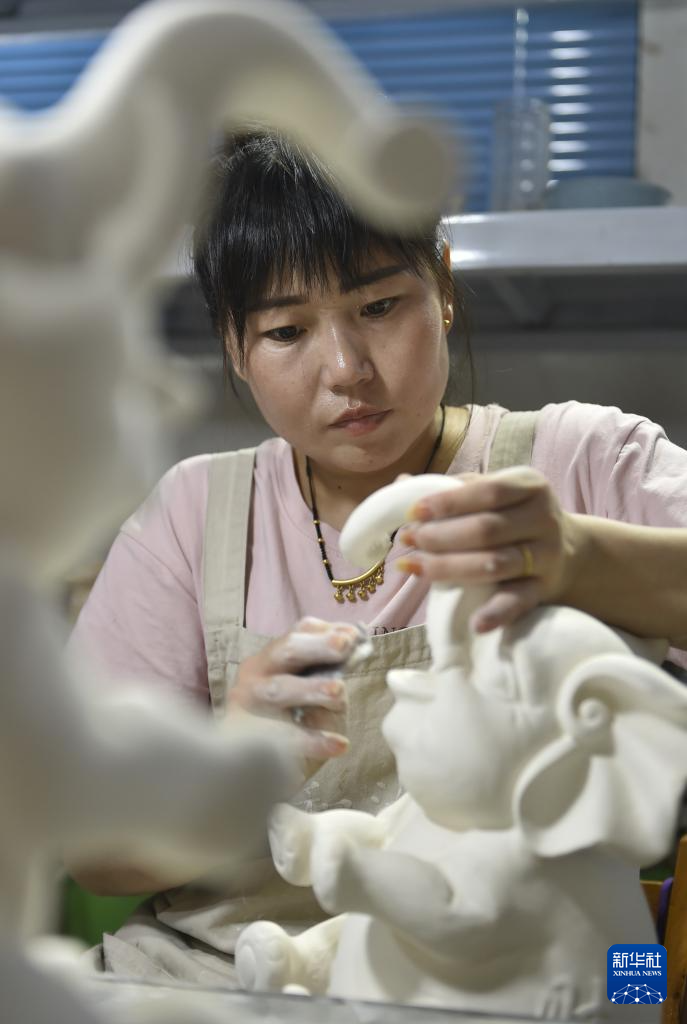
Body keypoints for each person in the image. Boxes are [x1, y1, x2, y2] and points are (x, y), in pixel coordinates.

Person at [69, 129, 687, 982]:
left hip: (526, 974)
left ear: (442, 286)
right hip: (218, 970)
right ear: (234, 346)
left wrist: (578, 553)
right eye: (286, 330)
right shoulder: (194, 514)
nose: (345, 368)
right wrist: (229, 764)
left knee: (631, 984)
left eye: (378, 307)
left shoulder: (584, 459)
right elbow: (93, 855)